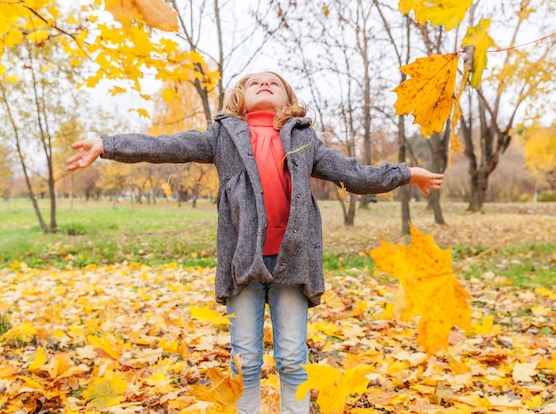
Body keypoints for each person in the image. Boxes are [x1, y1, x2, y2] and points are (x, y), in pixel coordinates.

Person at [66, 71, 444, 414]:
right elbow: (168, 146)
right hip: (242, 265)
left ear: (288, 98)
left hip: (292, 265)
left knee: (293, 358)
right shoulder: (222, 136)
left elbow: (353, 173)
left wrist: (407, 173)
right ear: (239, 97)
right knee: (245, 358)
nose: (265, 84)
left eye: (274, 82)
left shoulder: (303, 138)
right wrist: (107, 144)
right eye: (254, 82)